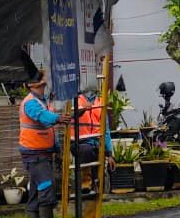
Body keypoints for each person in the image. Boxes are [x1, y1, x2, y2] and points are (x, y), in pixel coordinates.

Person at [19, 71, 72, 218]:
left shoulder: (43, 102)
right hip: (34, 154)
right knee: (46, 188)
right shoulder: (30, 102)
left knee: (36, 194)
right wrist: (58, 118)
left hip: (42, 153)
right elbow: (42, 116)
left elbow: (49, 125)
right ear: (32, 85)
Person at [73, 88, 114, 194]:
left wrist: (110, 154)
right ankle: (86, 184)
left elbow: (106, 130)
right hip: (79, 142)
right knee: (87, 150)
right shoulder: (75, 100)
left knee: (99, 155)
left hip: (96, 142)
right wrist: (82, 109)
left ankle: (97, 184)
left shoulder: (100, 102)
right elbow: (70, 116)